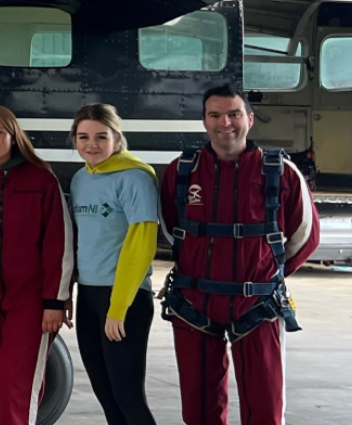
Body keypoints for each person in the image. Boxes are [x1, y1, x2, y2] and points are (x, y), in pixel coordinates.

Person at [158, 85, 320, 425]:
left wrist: (263, 273)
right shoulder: (180, 172)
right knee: (199, 409)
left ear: (249, 119)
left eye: (233, 114)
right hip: (194, 304)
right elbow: (171, 229)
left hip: (257, 306)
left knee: (265, 407)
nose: (224, 123)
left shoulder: (280, 172)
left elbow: (304, 236)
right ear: (204, 121)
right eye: (215, 115)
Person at [0, 105, 72, 425]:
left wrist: (54, 300)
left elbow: (59, 243)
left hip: (30, 301)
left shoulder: (41, 179)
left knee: (16, 384)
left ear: (14, 136)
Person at [68, 103, 159, 425]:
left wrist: (118, 306)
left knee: (128, 397)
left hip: (124, 299)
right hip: (89, 295)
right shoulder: (81, 179)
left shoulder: (135, 178)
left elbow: (142, 243)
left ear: (117, 138)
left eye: (100, 136)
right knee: (106, 395)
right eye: (83, 137)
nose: (91, 144)